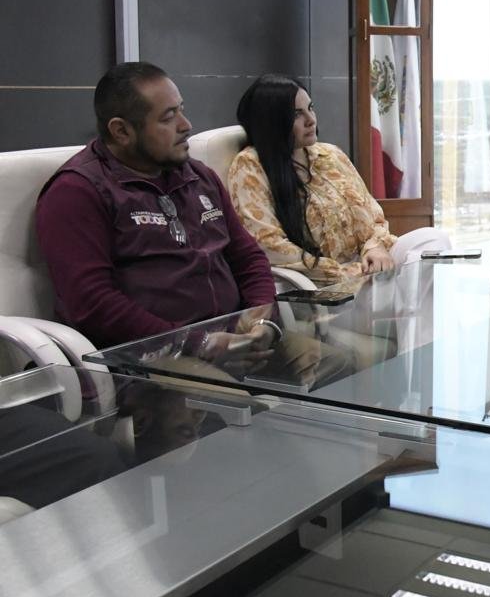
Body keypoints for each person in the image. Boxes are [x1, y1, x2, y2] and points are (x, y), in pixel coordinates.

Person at [35, 62, 352, 380]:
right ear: (122, 131)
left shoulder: (198, 176)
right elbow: (93, 304)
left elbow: (248, 258)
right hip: (147, 354)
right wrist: (199, 343)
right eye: (168, 118)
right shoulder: (77, 191)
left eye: (181, 110)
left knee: (342, 367)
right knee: (232, 402)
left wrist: (261, 320)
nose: (186, 125)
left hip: (234, 337)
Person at [227, 74, 449, 283]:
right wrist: (346, 273)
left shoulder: (331, 154)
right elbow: (269, 245)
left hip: (368, 263)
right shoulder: (250, 166)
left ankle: (403, 301)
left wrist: (374, 247)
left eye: (310, 108)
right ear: (271, 121)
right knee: (407, 280)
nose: (310, 120)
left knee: (433, 239)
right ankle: (401, 299)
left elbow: (372, 215)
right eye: (296, 114)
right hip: (323, 282)